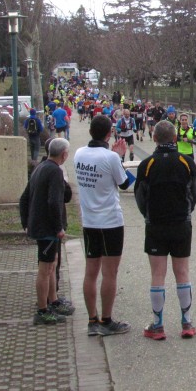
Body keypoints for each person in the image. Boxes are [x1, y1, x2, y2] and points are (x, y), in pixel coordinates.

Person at [134, 120, 196, 340]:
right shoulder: (186, 162)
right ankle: (187, 323)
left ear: (154, 138)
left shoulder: (147, 164)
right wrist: (186, 212)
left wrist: (148, 216)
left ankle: (158, 325)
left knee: (157, 274)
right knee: (182, 272)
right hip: (181, 224)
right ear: (175, 138)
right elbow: (194, 193)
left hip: (156, 225)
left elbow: (140, 196)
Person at [74, 115, 134, 336]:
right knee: (110, 273)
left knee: (91, 272)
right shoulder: (111, 157)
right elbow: (125, 183)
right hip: (110, 222)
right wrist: (120, 157)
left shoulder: (79, 154)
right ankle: (107, 320)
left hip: (89, 221)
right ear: (109, 134)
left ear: (91, 131)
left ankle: (92, 320)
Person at [19, 138, 75, 325]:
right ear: (64, 154)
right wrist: (58, 227)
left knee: (52, 264)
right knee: (45, 269)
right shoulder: (55, 171)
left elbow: (24, 197)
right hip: (47, 228)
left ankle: (54, 300)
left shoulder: (40, 167)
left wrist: (26, 221)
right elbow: (54, 201)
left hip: (40, 224)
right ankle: (42, 310)